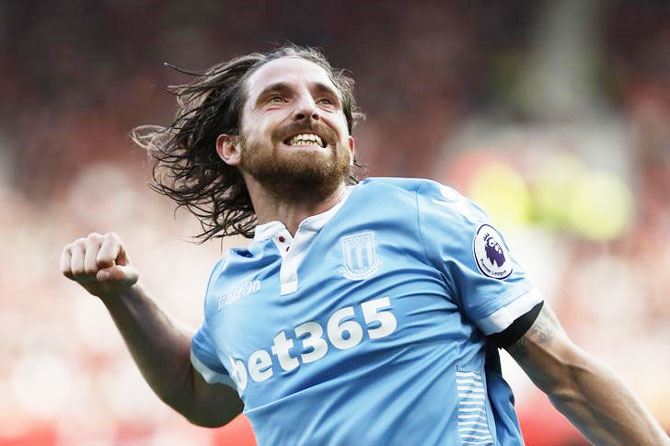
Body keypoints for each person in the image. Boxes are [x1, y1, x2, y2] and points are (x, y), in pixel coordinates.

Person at [60, 45, 669, 446]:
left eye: (327, 102)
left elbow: (563, 369)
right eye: (278, 98)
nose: (309, 109)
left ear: (349, 146)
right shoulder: (232, 287)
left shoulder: (423, 213)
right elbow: (202, 398)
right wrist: (123, 297)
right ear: (231, 147)